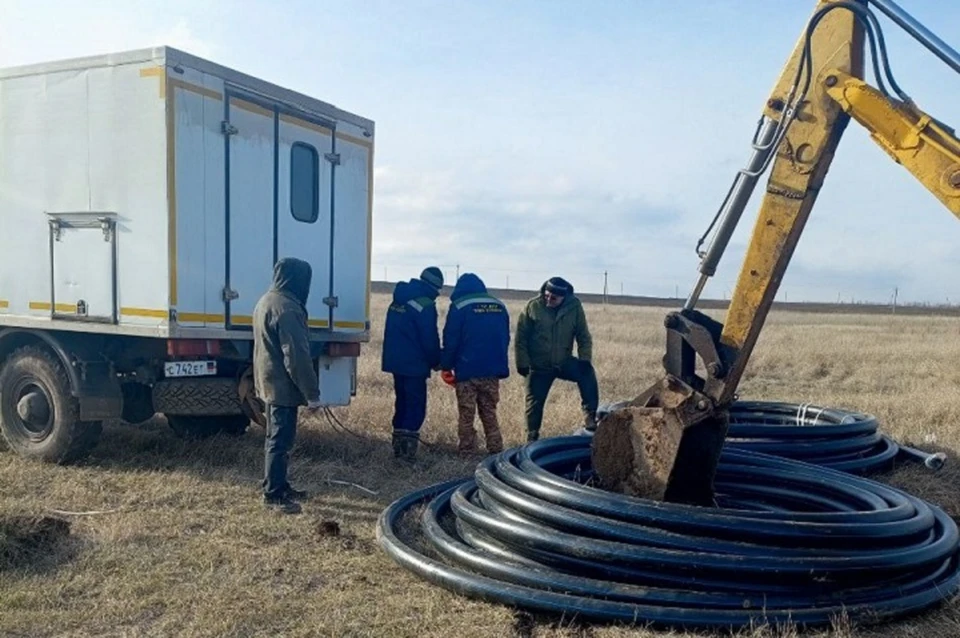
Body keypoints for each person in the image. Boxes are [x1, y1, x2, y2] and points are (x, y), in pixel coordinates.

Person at [252, 257, 322, 515]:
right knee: (280, 440)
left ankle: (279, 486)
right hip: (282, 386)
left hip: (269, 382)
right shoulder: (288, 308)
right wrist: (312, 394)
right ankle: (273, 496)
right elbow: (297, 356)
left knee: (276, 438)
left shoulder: (266, 300)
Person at [515, 276, 598, 442]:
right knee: (534, 402)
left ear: (563, 297)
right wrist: (522, 363)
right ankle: (532, 436)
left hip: (563, 362)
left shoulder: (574, 306)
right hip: (539, 365)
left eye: (553, 298)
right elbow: (521, 338)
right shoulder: (533, 306)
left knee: (587, 373)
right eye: (546, 296)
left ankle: (590, 416)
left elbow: (583, 335)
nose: (548, 300)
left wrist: (584, 359)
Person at [440, 273, 510, 457]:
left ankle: (466, 451)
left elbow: (451, 338)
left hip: (466, 370)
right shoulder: (499, 305)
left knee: (466, 413)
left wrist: (446, 365)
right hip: (492, 370)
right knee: (489, 411)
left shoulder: (459, 306)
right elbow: (505, 338)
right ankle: (495, 450)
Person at [381, 266, 444, 461]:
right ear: (434, 287)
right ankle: (407, 456)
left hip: (396, 362)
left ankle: (398, 450)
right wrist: (436, 360)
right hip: (414, 365)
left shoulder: (399, 298)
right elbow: (429, 338)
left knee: (402, 404)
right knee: (415, 407)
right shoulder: (424, 304)